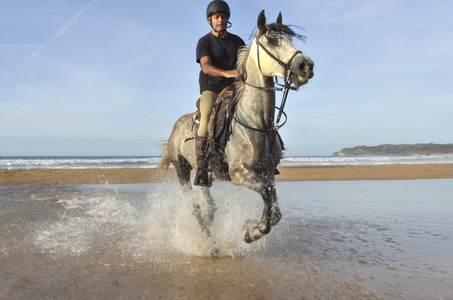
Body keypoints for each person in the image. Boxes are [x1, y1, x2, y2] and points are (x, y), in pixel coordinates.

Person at [194, 0, 245, 187]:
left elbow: (245, 64)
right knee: (206, 120)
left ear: (227, 19)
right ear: (210, 20)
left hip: (235, 87)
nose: (220, 20)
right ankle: (202, 169)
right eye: (216, 17)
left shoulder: (237, 41)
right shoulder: (204, 42)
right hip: (211, 88)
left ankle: (267, 155)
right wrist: (228, 73)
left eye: (223, 16)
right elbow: (206, 67)